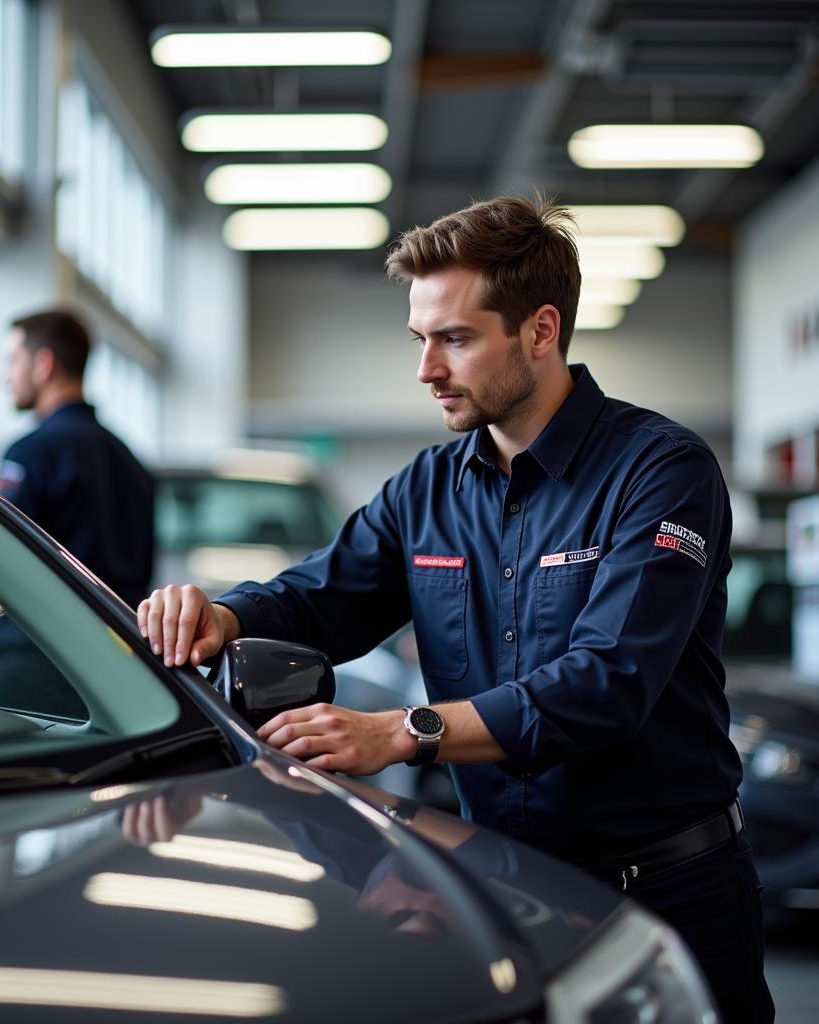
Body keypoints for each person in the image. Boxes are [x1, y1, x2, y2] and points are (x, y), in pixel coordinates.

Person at [138, 194, 774, 1021]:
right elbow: (323, 596)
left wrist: (404, 732)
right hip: (503, 883)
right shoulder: (425, 491)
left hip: (668, 895)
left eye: (456, 339)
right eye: (421, 339)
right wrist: (222, 618)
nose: (426, 369)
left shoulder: (661, 471)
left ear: (540, 331)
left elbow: (608, 681)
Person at [0, 309, 154, 717]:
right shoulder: (130, 460)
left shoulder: (31, 453)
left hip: (33, 661)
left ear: (44, 364)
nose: (5, 377)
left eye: (12, 360)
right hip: (119, 666)